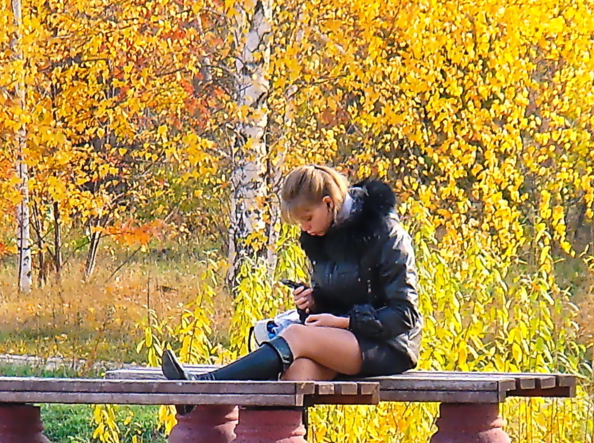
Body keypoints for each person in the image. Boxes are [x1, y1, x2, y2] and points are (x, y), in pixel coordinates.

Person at [162, 164, 420, 383]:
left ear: (328, 203)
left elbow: (405, 314)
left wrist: (344, 322)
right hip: (346, 339)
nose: (305, 228)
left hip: (389, 345)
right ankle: (219, 417)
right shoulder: (323, 236)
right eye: (300, 223)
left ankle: (205, 384)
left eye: (308, 218)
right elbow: (343, 298)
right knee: (294, 375)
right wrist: (314, 301)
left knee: (295, 336)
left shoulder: (388, 235)